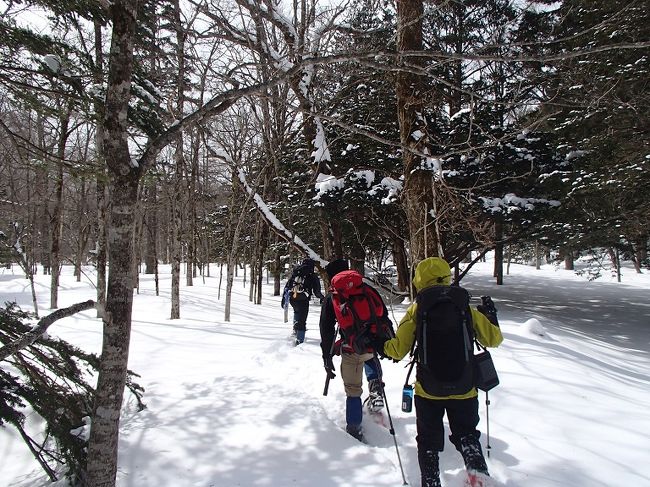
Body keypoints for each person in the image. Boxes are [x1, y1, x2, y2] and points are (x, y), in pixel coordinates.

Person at [372, 257, 503, 487]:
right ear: (447, 275)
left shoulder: (417, 309)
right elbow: (494, 339)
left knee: (428, 443)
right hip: (465, 388)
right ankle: (478, 475)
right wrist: (491, 317)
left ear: (420, 279)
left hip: (428, 391)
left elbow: (398, 350)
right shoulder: (464, 307)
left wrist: (380, 344)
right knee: (467, 435)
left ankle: (431, 482)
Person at [319, 258, 394, 441]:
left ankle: (354, 429)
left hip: (351, 347)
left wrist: (326, 357)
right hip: (372, 344)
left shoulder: (333, 296)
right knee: (369, 358)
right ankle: (375, 383)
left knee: (353, 389)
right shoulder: (366, 288)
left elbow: (326, 329)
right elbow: (382, 315)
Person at [281, 258, 324, 345]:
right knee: (302, 319)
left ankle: (295, 330)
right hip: (303, 299)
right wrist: (322, 298)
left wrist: (283, 299)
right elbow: (317, 291)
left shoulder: (296, 272)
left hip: (292, 297)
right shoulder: (312, 275)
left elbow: (288, 285)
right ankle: (300, 340)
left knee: (297, 312)